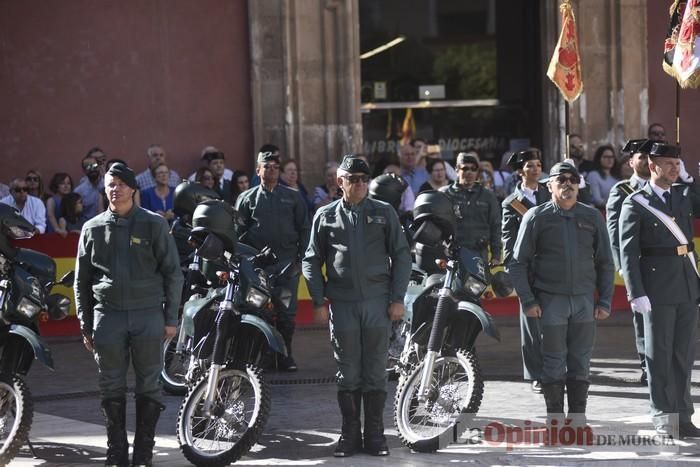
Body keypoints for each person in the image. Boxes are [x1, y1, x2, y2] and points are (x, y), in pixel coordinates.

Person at [75, 163, 183, 466]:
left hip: (148, 316)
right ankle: (117, 453)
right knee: (110, 385)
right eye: (111, 183)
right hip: (107, 317)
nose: (115, 188)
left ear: (133, 188)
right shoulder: (92, 228)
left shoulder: (154, 224)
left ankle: (144, 455)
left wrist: (171, 319)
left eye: (122, 183)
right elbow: (81, 281)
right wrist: (86, 324)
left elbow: (173, 273)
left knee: (149, 385)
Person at [302, 155, 411, 457]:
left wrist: (397, 298)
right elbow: (311, 259)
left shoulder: (384, 212)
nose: (360, 184)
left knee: (376, 369)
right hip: (343, 302)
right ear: (340, 182)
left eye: (364, 179)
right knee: (348, 371)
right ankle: (349, 433)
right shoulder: (325, 216)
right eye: (353, 179)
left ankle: (375, 433)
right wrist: (318, 298)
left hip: (377, 302)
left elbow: (401, 255)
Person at [509, 161, 614, 426]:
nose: (568, 184)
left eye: (573, 179)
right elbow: (518, 263)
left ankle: (577, 419)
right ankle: (555, 420)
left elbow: (605, 262)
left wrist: (604, 300)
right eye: (561, 179)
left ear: (579, 185)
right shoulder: (536, 216)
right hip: (550, 300)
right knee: (553, 361)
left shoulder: (591, 217)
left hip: (583, 301)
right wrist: (528, 300)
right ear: (549, 185)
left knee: (581, 360)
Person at [618, 142, 700, 439]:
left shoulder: (682, 196)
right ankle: (665, 418)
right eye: (669, 164)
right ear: (652, 166)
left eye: (677, 165)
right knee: (659, 355)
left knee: (684, 355)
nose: (674, 169)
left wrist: (691, 179)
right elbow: (628, 253)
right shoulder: (635, 202)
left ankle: (684, 416)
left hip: (686, 285)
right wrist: (635, 292)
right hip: (656, 290)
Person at [235, 150, 310, 371]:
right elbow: (238, 233)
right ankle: (266, 355)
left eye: (276, 167)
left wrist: (300, 259)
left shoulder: (293, 196)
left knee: (286, 313)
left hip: (287, 265)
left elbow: (304, 229)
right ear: (258, 170)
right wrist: (245, 261)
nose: (271, 171)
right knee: (260, 312)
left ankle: (286, 354)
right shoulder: (246, 199)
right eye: (266, 167)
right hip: (258, 267)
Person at [500, 149, 550, 394]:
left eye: (539, 164)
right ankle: (535, 374)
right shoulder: (512, 203)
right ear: (521, 172)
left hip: (552, 265)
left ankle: (554, 369)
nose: (536, 169)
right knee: (531, 324)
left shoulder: (550, 193)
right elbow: (508, 240)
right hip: (528, 267)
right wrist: (513, 268)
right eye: (531, 166)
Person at [605, 138, 652, 385]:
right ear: (631, 161)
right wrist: (621, 264)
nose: (646, 161)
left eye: (649, 156)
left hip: (662, 264)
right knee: (642, 316)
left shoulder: (665, 187)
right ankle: (647, 365)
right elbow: (613, 231)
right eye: (640, 157)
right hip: (636, 263)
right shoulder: (622, 190)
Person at [440, 152, 502, 265]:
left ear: (477, 172)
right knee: (452, 283)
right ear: (457, 170)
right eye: (465, 168)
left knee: (479, 283)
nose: (469, 172)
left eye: (473, 169)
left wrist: (496, 255)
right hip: (451, 252)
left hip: (479, 252)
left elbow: (496, 226)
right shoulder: (445, 194)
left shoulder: (487, 196)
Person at [586, 145, 620, 210]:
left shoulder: (616, 177)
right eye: (606, 157)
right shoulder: (593, 175)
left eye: (612, 157)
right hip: (601, 212)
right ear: (599, 158)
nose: (610, 159)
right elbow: (597, 200)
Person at [75, 151, 105, 219]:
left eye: (94, 166)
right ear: (84, 171)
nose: (92, 169)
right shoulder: (79, 191)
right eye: (88, 167)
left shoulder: (108, 185)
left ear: (99, 166)